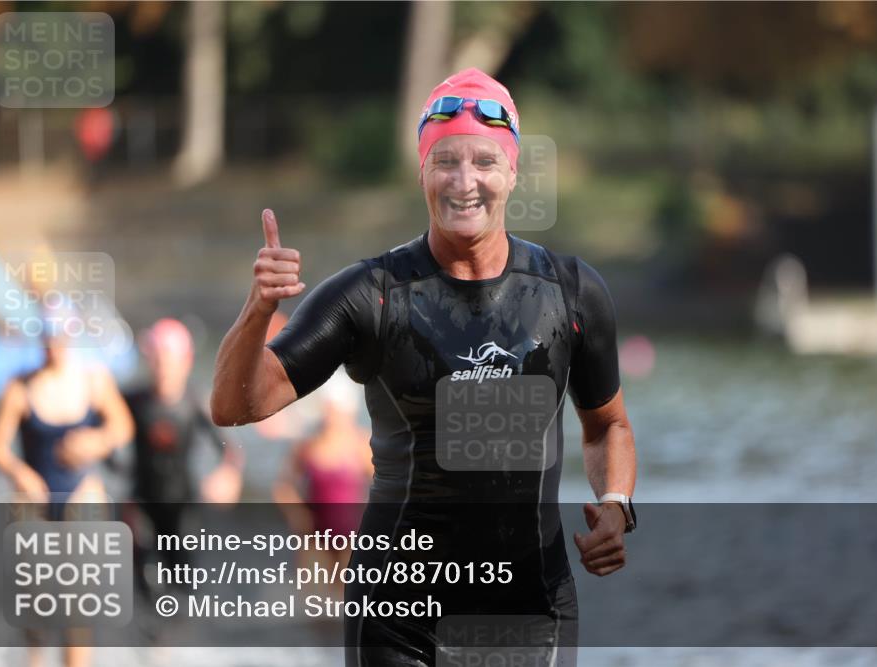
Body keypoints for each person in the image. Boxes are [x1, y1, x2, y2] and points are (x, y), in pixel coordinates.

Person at [210, 68, 637, 666]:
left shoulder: (569, 292)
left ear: (513, 172)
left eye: (485, 161)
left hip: (529, 606)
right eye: (446, 162)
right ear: (422, 173)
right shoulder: (372, 294)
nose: (465, 182)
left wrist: (615, 503)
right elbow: (235, 406)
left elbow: (607, 425)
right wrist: (258, 310)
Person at [0, 319, 134, 667]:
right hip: (34, 499)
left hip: (82, 494)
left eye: (60, 338)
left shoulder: (94, 381)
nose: (54, 346)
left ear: (72, 338)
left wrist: (98, 441)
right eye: (48, 339)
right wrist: (18, 472)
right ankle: (35, 657)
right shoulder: (20, 387)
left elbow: (123, 425)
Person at [121, 318, 243, 596]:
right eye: (157, 359)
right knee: (147, 577)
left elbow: (230, 449)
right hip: (142, 502)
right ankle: (152, 632)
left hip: (183, 503)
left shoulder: (196, 402)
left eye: (170, 360)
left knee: (183, 577)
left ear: (186, 362)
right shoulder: (132, 401)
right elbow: (104, 425)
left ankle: (179, 632)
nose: (163, 368)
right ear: (148, 359)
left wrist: (227, 474)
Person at [273, 369, 372, 595]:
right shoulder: (308, 445)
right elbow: (283, 487)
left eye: (337, 410)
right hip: (315, 535)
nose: (332, 416)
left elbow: (387, 486)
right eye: (329, 409)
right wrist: (298, 516)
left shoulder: (360, 444)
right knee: (316, 606)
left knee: (349, 602)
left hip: (351, 536)